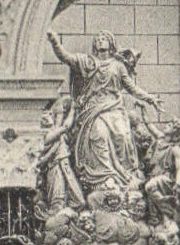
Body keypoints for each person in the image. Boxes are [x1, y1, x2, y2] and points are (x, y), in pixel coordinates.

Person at [47, 29, 161, 196]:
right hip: (93, 110)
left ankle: (124, 177)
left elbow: (132, 88)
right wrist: (55, 42)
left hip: (114, 109)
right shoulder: (87, 62)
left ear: (111, 43)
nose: (100, 41)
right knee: (99, 135)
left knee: (122, 136)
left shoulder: (118, 66)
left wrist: (150, 99)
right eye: (98, 39)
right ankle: (105, 177)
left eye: (104, 39)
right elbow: (65, 57)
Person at [38, 93, 85, 210]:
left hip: (62, 164)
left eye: (49, 115)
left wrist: (66, 109)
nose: (48, 117)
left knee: (72, 196)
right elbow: (65, 126)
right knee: (58, 195)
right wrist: (72, 110)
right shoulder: (48, 135)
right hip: (55, 166)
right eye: (46, 116)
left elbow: (61, 123)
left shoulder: (53, 131)